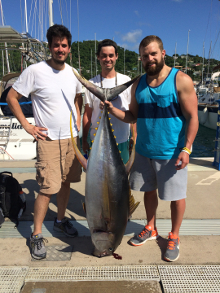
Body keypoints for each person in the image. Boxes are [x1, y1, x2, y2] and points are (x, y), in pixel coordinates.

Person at [103, 35, 198, 262]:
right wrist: (111, 110)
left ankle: (174, 236)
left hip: (171, 152)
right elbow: (132, 115)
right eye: (145, 56)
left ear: (163, 53)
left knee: (177, 196)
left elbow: (193, 116)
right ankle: (150, 227)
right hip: (144, 151)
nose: (150, 59)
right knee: (148, 191)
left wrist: (187, 149)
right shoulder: (139, 84)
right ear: (141, 58)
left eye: (153, 54)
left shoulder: (181, 80)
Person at [6, 24, 82, 260]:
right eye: (56, 45)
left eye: (64, 45)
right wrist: (27, 126)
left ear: (69, 48)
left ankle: (60, 220)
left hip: (72, 139)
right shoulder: (34, 71)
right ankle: (37, 234)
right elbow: (11, 97)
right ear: (50, 47)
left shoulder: (73, 72)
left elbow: (78, 99)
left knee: (67, 184)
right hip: (48, 140)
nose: (60, 49)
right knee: (48, 189)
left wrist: (78, 125)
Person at [83, 39, 135, 164]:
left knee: (120, 180)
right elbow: (87, 114)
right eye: (104, 56)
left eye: (111, 55)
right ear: (98, 57)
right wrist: (84, 139)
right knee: (99, 181)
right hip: (97, 142)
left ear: (116, 56)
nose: (108, 59)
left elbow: (132, 113)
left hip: (122, 140)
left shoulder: (126, 81)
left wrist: (134, 136)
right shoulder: (91, 84)